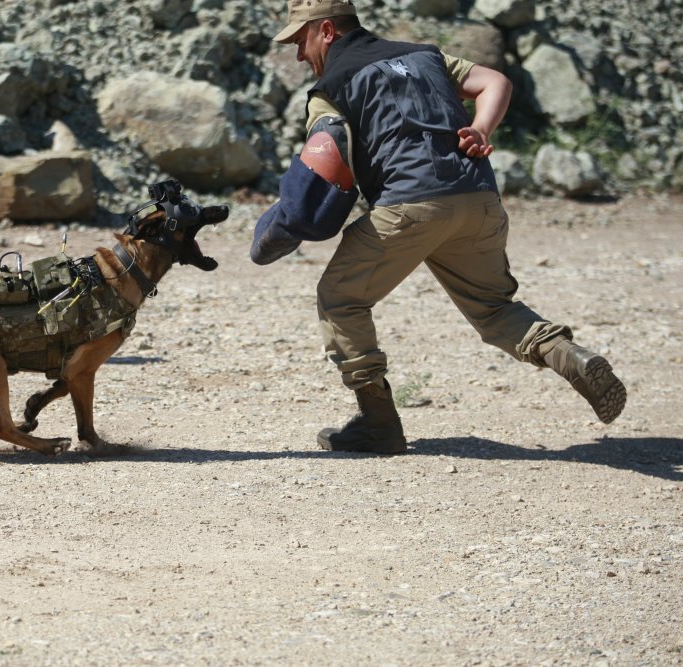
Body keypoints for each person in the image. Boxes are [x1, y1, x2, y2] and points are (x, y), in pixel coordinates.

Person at [252, 0, 626, 454]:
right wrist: (481, 128)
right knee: (493, 308)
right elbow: (494, 82)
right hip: (478, 198)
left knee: (340, 298)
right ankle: (572, 357)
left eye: (299, 40)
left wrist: (280, 226)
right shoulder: (424, 55)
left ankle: (378, 423)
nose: (297, 55)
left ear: (326, 30)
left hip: (410, 206)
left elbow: (325, 171)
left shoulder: (330, 88)